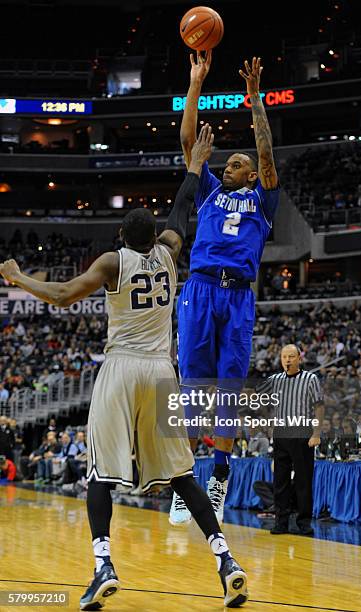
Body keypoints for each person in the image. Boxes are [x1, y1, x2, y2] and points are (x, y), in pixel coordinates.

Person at [0, 126, 248, 610]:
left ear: (121, 237)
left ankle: (103, 567)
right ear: (154, 237)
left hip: (120, 369)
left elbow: (62, 295)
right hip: (161, 371)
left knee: (101, 476)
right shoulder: (171, 253)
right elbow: (182, 208)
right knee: (182, 476)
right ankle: (226, 562)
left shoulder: (114, 262)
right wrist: (196, 163)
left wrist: (16, 276)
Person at [171, 52, 280, 526]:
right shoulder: (211, 190)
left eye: (238, 162)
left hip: (237, 294)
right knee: (194, 382)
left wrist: (255, 98)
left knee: (229, 384)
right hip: (199, 287)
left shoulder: (263, 196)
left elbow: (266, 151)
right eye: (229, 161)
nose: (231, 162)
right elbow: (189, 142)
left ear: (252, 175)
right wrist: (195, 84)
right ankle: (187, 479)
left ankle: (219, 474)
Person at [258, 345, 324, 536]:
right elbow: (255, 396)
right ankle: (281, 522)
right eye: (284, 357)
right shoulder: (275, 380)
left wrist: (316, 433)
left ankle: (304, 523)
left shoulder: (310, 378)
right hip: (281, 433)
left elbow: (319, 406)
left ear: (299, 359)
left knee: (303, 480)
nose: (287, 360)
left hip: (303, 432)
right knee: (280, 480)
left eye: (291, 356)